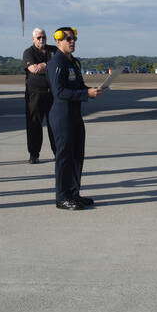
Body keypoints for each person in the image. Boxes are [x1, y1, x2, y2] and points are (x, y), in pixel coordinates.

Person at [46, 27, 103, 210]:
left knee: (77, 155)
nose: (72, 41)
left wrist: (90, 90)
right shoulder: (57, 62)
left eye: (74, 38)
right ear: (58, 41)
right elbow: (59, 91)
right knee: (64, 157)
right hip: (62, 116)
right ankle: (62, 197)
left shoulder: (73, 62)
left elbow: (78, 85)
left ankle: (74, 193)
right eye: (68, 39)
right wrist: (85, 93)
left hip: (75, 115)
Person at [22, 27, 58, 164]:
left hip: (52, 94)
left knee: (54, 124)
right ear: (33, 39)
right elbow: (33, 69)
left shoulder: (53, 50)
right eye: (39, 38)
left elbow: (60, 63)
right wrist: (49, 65)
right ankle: (34, 154)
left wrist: (43, 64)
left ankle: (58, 152)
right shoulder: (28, 52)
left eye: (43, 37)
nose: (42, 39)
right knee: (34, 125)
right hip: (35, 94)